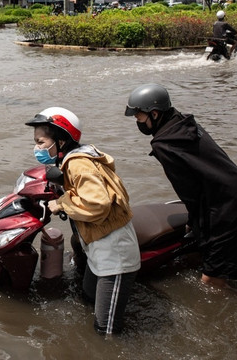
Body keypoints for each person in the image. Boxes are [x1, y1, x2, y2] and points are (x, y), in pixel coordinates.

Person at [124, 84, 237, 287]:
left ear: (154, 114)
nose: (138, 123)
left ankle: (221, 315)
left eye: (139, 118)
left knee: (211, 282)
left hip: (230, 211)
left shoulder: (164, 144)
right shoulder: (182, 122)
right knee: (202, 259)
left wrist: (194, 220)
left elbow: (188, 190)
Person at [26, 107, 141, 335]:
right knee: (87, 296)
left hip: (114, 252)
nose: (37, 148)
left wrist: (61, 204)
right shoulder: (73, 158)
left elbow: (97, 203)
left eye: (41, 142)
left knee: (106, 330)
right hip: (97, 244)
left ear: (60, 139)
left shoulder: (79, 163)